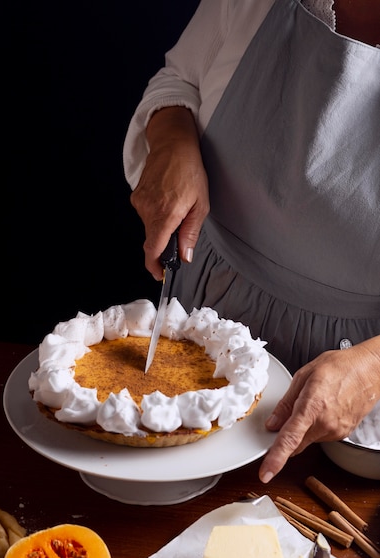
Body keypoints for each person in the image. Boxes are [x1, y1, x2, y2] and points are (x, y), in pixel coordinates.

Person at [123, 0, 380, 483]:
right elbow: (180, 80)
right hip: (206, 310)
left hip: (351, 405)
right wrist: (172, 137)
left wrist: (372, 367)